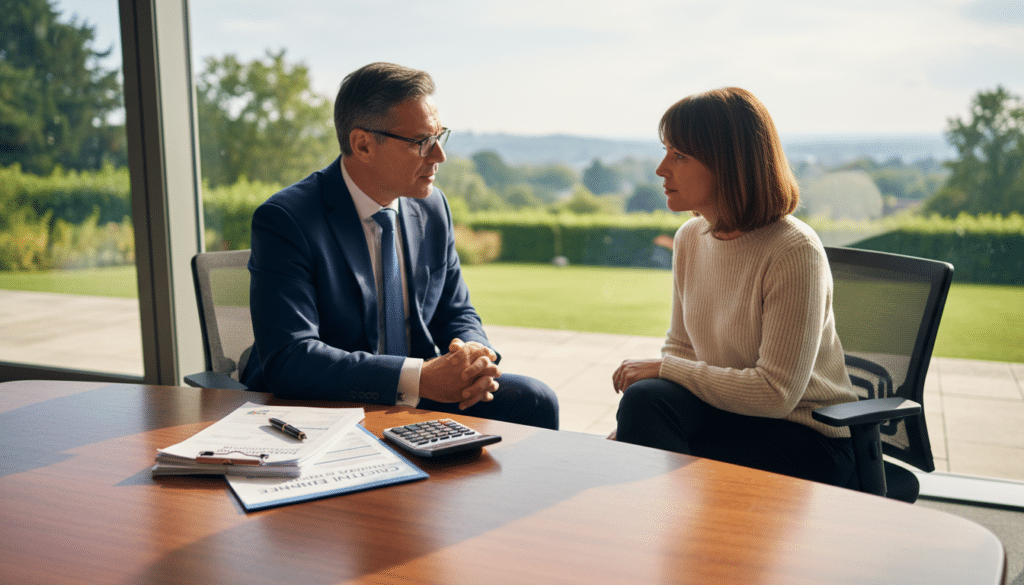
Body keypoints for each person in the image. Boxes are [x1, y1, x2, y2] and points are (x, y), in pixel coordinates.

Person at [242, 62, 558, 430]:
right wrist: (419, 378)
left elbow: (455, 311)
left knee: (535, 399)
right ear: (362, 144)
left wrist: (474, 355)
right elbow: (292, 358)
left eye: (440, 137)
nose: (438, 155)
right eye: (421, 142)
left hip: (416, 393)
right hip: (324, 406)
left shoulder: (432, 206)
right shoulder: (287, 219)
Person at [611, 87, 858, 486]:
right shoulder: (690, 238)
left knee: (679, 465)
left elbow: (776, 393)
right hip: (727, 415)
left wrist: (665, 370)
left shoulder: (793, 250)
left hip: (808, 439)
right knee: (645, 401)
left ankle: (672, 537)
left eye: (679, 155)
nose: (661, 169)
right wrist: (643, 410)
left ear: (727, 164)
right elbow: (682, 349)